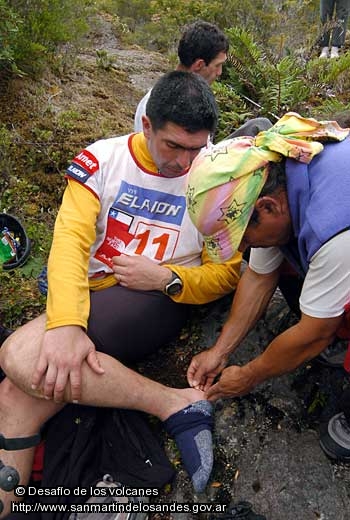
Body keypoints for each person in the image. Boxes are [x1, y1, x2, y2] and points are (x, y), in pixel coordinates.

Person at [0, 71, 242, 516]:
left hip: (157, 299)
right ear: (146, 126)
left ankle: (170, 402)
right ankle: (178, 405)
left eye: (196, 147)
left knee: (18, 356)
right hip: (94, 289)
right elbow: (70, 242)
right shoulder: (102, 160)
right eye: (174, 146)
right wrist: (67, 324)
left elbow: (226, 273)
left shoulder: (216, 176)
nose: (185, 161)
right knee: (13, 395)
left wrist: (167, 279)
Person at [185, 112, 350, 408]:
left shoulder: (333, 229)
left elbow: (315, 335)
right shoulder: (272, 172)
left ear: (268, 208)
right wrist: (220, 350)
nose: (243, 248)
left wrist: (250, 374)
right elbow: (259, 276)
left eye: (244, 238)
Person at [134, 20, 229, 132]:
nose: (219, 72)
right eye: (217, 65)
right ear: (199, 65)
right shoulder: (160, 104)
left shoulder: (192, 96)